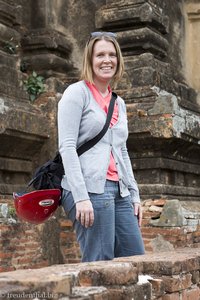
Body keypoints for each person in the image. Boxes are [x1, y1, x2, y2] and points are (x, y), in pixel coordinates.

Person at [58, 31, 145, 262]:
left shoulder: (119, 102)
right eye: (100, 55)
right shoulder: (77, 94)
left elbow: (122, 150)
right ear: (90, 59)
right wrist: (81, 197)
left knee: (136, 260)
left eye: (112, 54)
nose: (107, 60)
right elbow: (66, 147)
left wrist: (135, 195)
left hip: (121, 191)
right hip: (91, 189)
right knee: (100, 263)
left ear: (118, 60)